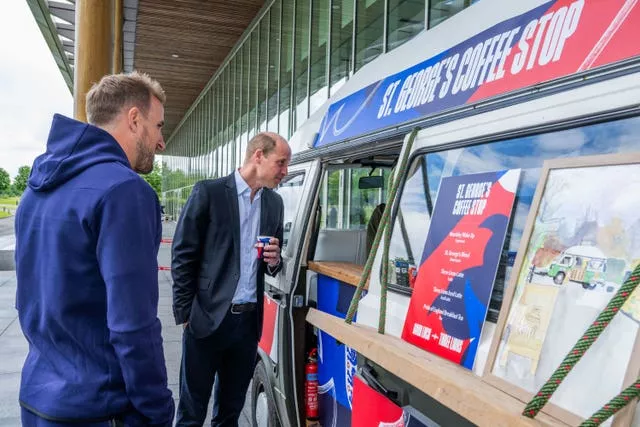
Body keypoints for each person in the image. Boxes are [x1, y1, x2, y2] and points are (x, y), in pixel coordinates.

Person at [14, 72, 175, 426]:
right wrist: (158, 409)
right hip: (100, 409)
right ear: (134, 119)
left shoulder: (36, 189)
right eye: (158, 125)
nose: (161, 141)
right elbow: (133, 324)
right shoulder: (124, 191)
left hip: (40, 400)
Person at [172, 132, 290, 426]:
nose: (285, 171)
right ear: (258, 156)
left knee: (231, 411)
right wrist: (187, 314)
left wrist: (275, 261)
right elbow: (183, 254)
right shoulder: (208, 193)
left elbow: (272, 263)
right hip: (206, 319)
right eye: (282, 163)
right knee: (191, 410)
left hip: (247, 324)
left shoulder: (274, 204)